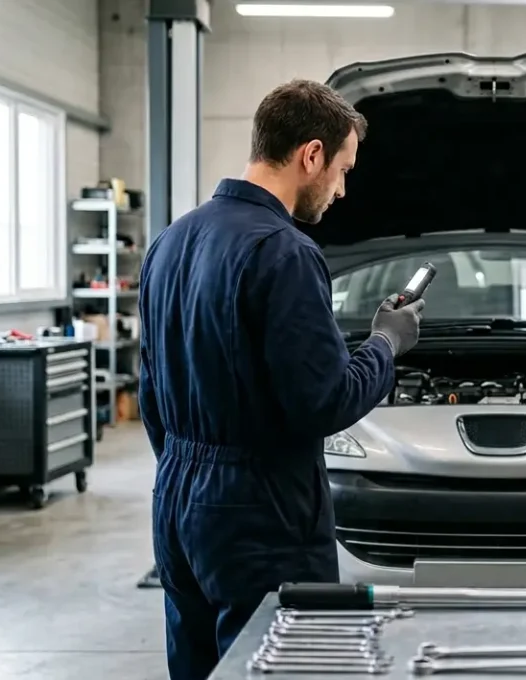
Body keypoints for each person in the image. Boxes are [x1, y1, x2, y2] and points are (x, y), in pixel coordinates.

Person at [137, 79, 426, 680]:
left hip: (176, 499)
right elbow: (324, 401)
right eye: (343, 169)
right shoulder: (284, 250)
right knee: (288, 664)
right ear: (311, 155)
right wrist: (385, 342)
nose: (343, 190)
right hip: (260, 510)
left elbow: (151, 392)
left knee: (198, 666)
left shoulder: (170, 242)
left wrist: (191, 474)